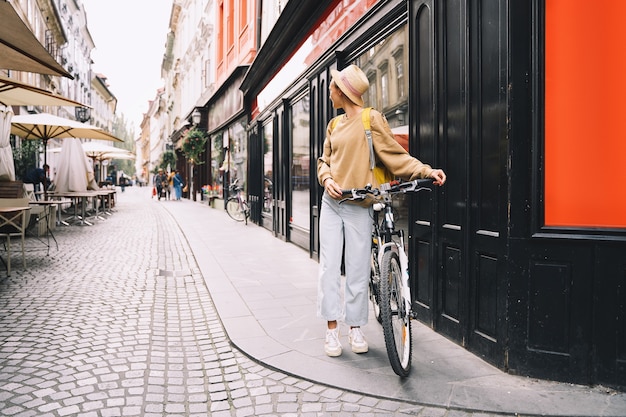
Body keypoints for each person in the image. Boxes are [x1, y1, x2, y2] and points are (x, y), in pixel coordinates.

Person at [316, 64, 446, 357]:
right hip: (331, 205)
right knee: (328, 268)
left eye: (334, 86)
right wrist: (327, 179)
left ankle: (355, 328)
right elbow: (323, 161)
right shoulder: (333, 125)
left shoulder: (370, 119)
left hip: (358, 206)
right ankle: (332, 330)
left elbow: (396, 156)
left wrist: (426, 170)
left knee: (359, 270)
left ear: (343, 92)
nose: (330, 90)